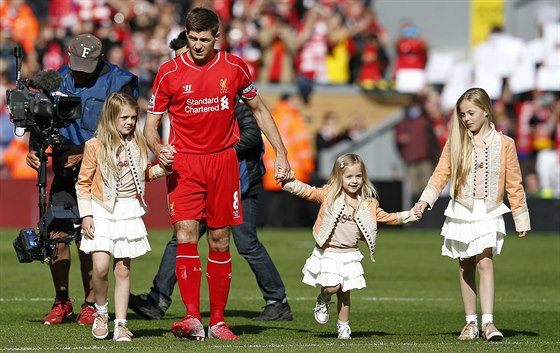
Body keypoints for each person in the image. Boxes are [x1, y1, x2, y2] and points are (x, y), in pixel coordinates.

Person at [143, 7, 291, 341]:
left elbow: (258, 109)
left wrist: (281, 152)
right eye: (192, 39)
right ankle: (193, 317)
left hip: (223, 162)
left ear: (216, 37)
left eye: (204, 40)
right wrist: (158, 148)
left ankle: (219, 321)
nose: (197, 45)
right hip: (185, 165)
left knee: (221, 239)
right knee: (184, 236)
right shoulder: (169, 72)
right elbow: (151, 124)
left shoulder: (235, 67)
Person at [26, 34, 139, 325]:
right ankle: (62, 300)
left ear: (100, 59)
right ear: (67, 55)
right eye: (75, 65)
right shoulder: (55, 80)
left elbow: (125, 128)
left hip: (103, 174)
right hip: (65, 170)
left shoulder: (119, 82)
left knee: (90, 238)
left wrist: (84, 153)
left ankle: (91, 304)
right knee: (56, 234)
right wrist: (34, 150)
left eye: (86, 67)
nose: (78, 73)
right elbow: (40, 120)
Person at [413, 88, 531, 342]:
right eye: (462, 114)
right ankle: (471, 323)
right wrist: (425, 201)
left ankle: (489, 323)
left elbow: (514, 183)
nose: (466, 118)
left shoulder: (505, 143)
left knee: (485, 261)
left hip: (489, 210)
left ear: (486, 111)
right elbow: (440, 174)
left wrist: (521, 218)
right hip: (462, 209)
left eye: (471, 112)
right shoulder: (456, 141)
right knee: (466, 264)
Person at [281, 153, 418, 339]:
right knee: (333, 287)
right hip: (328, 252)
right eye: (349, 176)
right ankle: (323, 298)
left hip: (350, 254)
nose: (354, 181)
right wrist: (288, 182)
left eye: (358, 176)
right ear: (339, 177)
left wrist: (410, 215)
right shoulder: (330, 194)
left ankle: (343, 326)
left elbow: (387, 217)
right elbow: (308, 191)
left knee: (345, 295)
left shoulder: (367, 204)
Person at [76, 92, 169, 341]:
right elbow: (83, 183)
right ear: (111, 117)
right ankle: (100, 312)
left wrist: (164, 168)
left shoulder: (138, 143)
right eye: (124, 117)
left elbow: (143, 175)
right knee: (100, 266)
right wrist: (86, 215)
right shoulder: (94, 145)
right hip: (100, 210)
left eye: (133, 117)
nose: (129, 122)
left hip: (128, 210)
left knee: (123, 270)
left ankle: (121, 323)